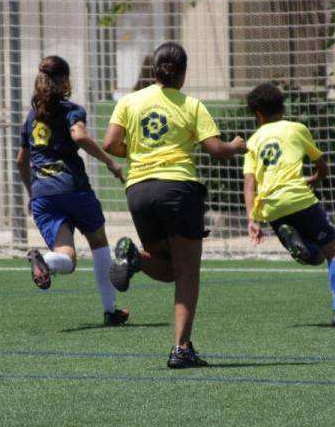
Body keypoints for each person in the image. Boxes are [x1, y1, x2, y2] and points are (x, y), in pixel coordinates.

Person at [103, 42, 246, 368]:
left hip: (138, 191)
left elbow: (110, 143)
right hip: (177, 190)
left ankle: (134, 258)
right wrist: (235, 145)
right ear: (182, 73)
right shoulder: (192, 105)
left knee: (166, 268)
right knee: (186, 272)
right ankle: (181, 349)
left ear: (154, 70)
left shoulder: (130, 101)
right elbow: (215, 149)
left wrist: (139, 154)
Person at [19, 56, 130, 326]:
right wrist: (110, 162)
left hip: (44, 195)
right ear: (65, 81)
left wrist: (32, 193)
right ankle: (110, 309)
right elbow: (79, 136)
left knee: (66, 257)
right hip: (73, 188)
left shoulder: (31, 118)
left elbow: (21, 160)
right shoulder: (72, 110)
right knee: (99, 244)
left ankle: (46, 260)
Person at [243, 83, 335, 327]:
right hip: (299, 197)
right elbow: (321, 164)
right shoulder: (297, 129)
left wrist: (252, 219)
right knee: (334, 253)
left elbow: (249, 183)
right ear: (283, 108)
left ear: (258, 115)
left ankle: (299, 240)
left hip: (271, 208)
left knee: (315, 257)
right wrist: (317, 178)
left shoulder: (253, 141)